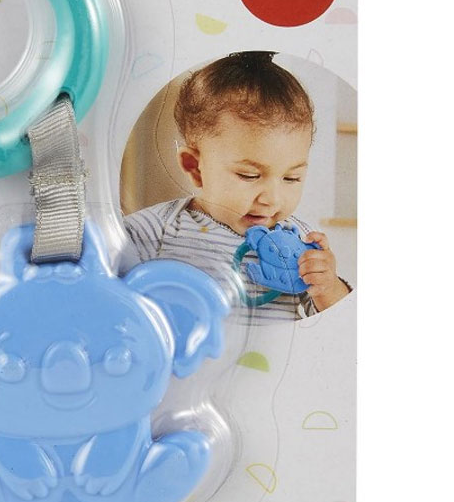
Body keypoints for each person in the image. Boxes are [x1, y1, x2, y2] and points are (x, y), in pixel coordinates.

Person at [123, 52, 351, 321]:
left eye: (291, 178)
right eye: (249, 175)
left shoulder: (300, 239)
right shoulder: (156, 229)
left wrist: (328, 286)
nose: (272, 199)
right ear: (195, 167)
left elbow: (337, 323)